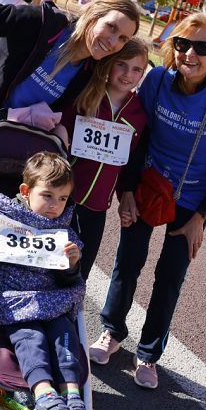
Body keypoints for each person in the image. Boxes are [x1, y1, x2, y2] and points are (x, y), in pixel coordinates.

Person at [0, 0, 141, 339]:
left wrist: (58, 128)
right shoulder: (42, 23)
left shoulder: (88, 71)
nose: (112, 41)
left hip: (4, 144)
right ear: (94, 14)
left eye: (122, 38)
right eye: (111, 27)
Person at [88, 13, 206, 390]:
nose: (190, 54)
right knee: (128, 262)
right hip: (147, 186)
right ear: (172, 47)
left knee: (170, 277)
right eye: (182, 44)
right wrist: (125, 190)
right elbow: (136, 135)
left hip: (191, 199)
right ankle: (111, 331)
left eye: (202, 47)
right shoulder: (158, 80)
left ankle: (148, 353)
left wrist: (201, 217)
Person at [0, 152, 95, 410]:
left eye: (62, 199)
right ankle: (45, 397)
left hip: (50, 300)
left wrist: (71, 265)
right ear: (25, 191)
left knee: (64, 334)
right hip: (12, 300)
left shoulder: (63, 231)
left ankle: (72, 397)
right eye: (47, 196)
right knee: (31, 336)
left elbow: (66, 280)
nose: (55, 206)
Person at [57, 38, 149, 280]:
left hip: (97, 209)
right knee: (48, 268)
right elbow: (59, 135)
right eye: (121, 64)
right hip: (62, 200)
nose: (128, 74)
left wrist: (125, 196)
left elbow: (129, 162)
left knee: (78, 276)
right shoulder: (87, 94)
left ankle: (67, 317)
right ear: (109, 64)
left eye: (137, 69)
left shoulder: (140, 112)